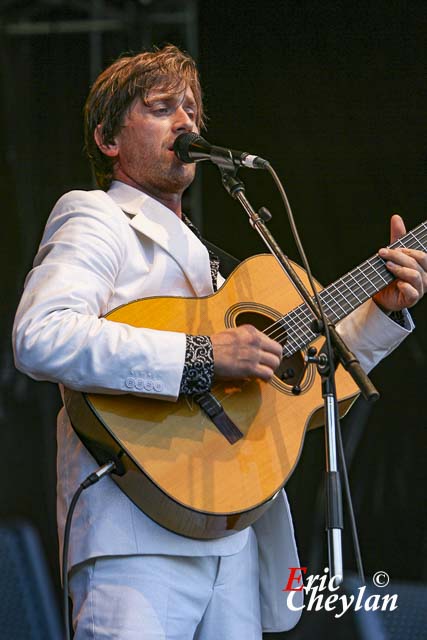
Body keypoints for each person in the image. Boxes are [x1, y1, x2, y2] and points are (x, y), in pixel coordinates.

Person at [12, 44, 426, 639]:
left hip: (234, 539)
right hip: (137, 537)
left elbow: (314, 380)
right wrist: (204, 356)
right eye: (161, 108)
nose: (186, 122)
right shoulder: (95, 217)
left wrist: (383, 312)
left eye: (192, 110)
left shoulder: (211, 264)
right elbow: (40, 336)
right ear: (108, 138)